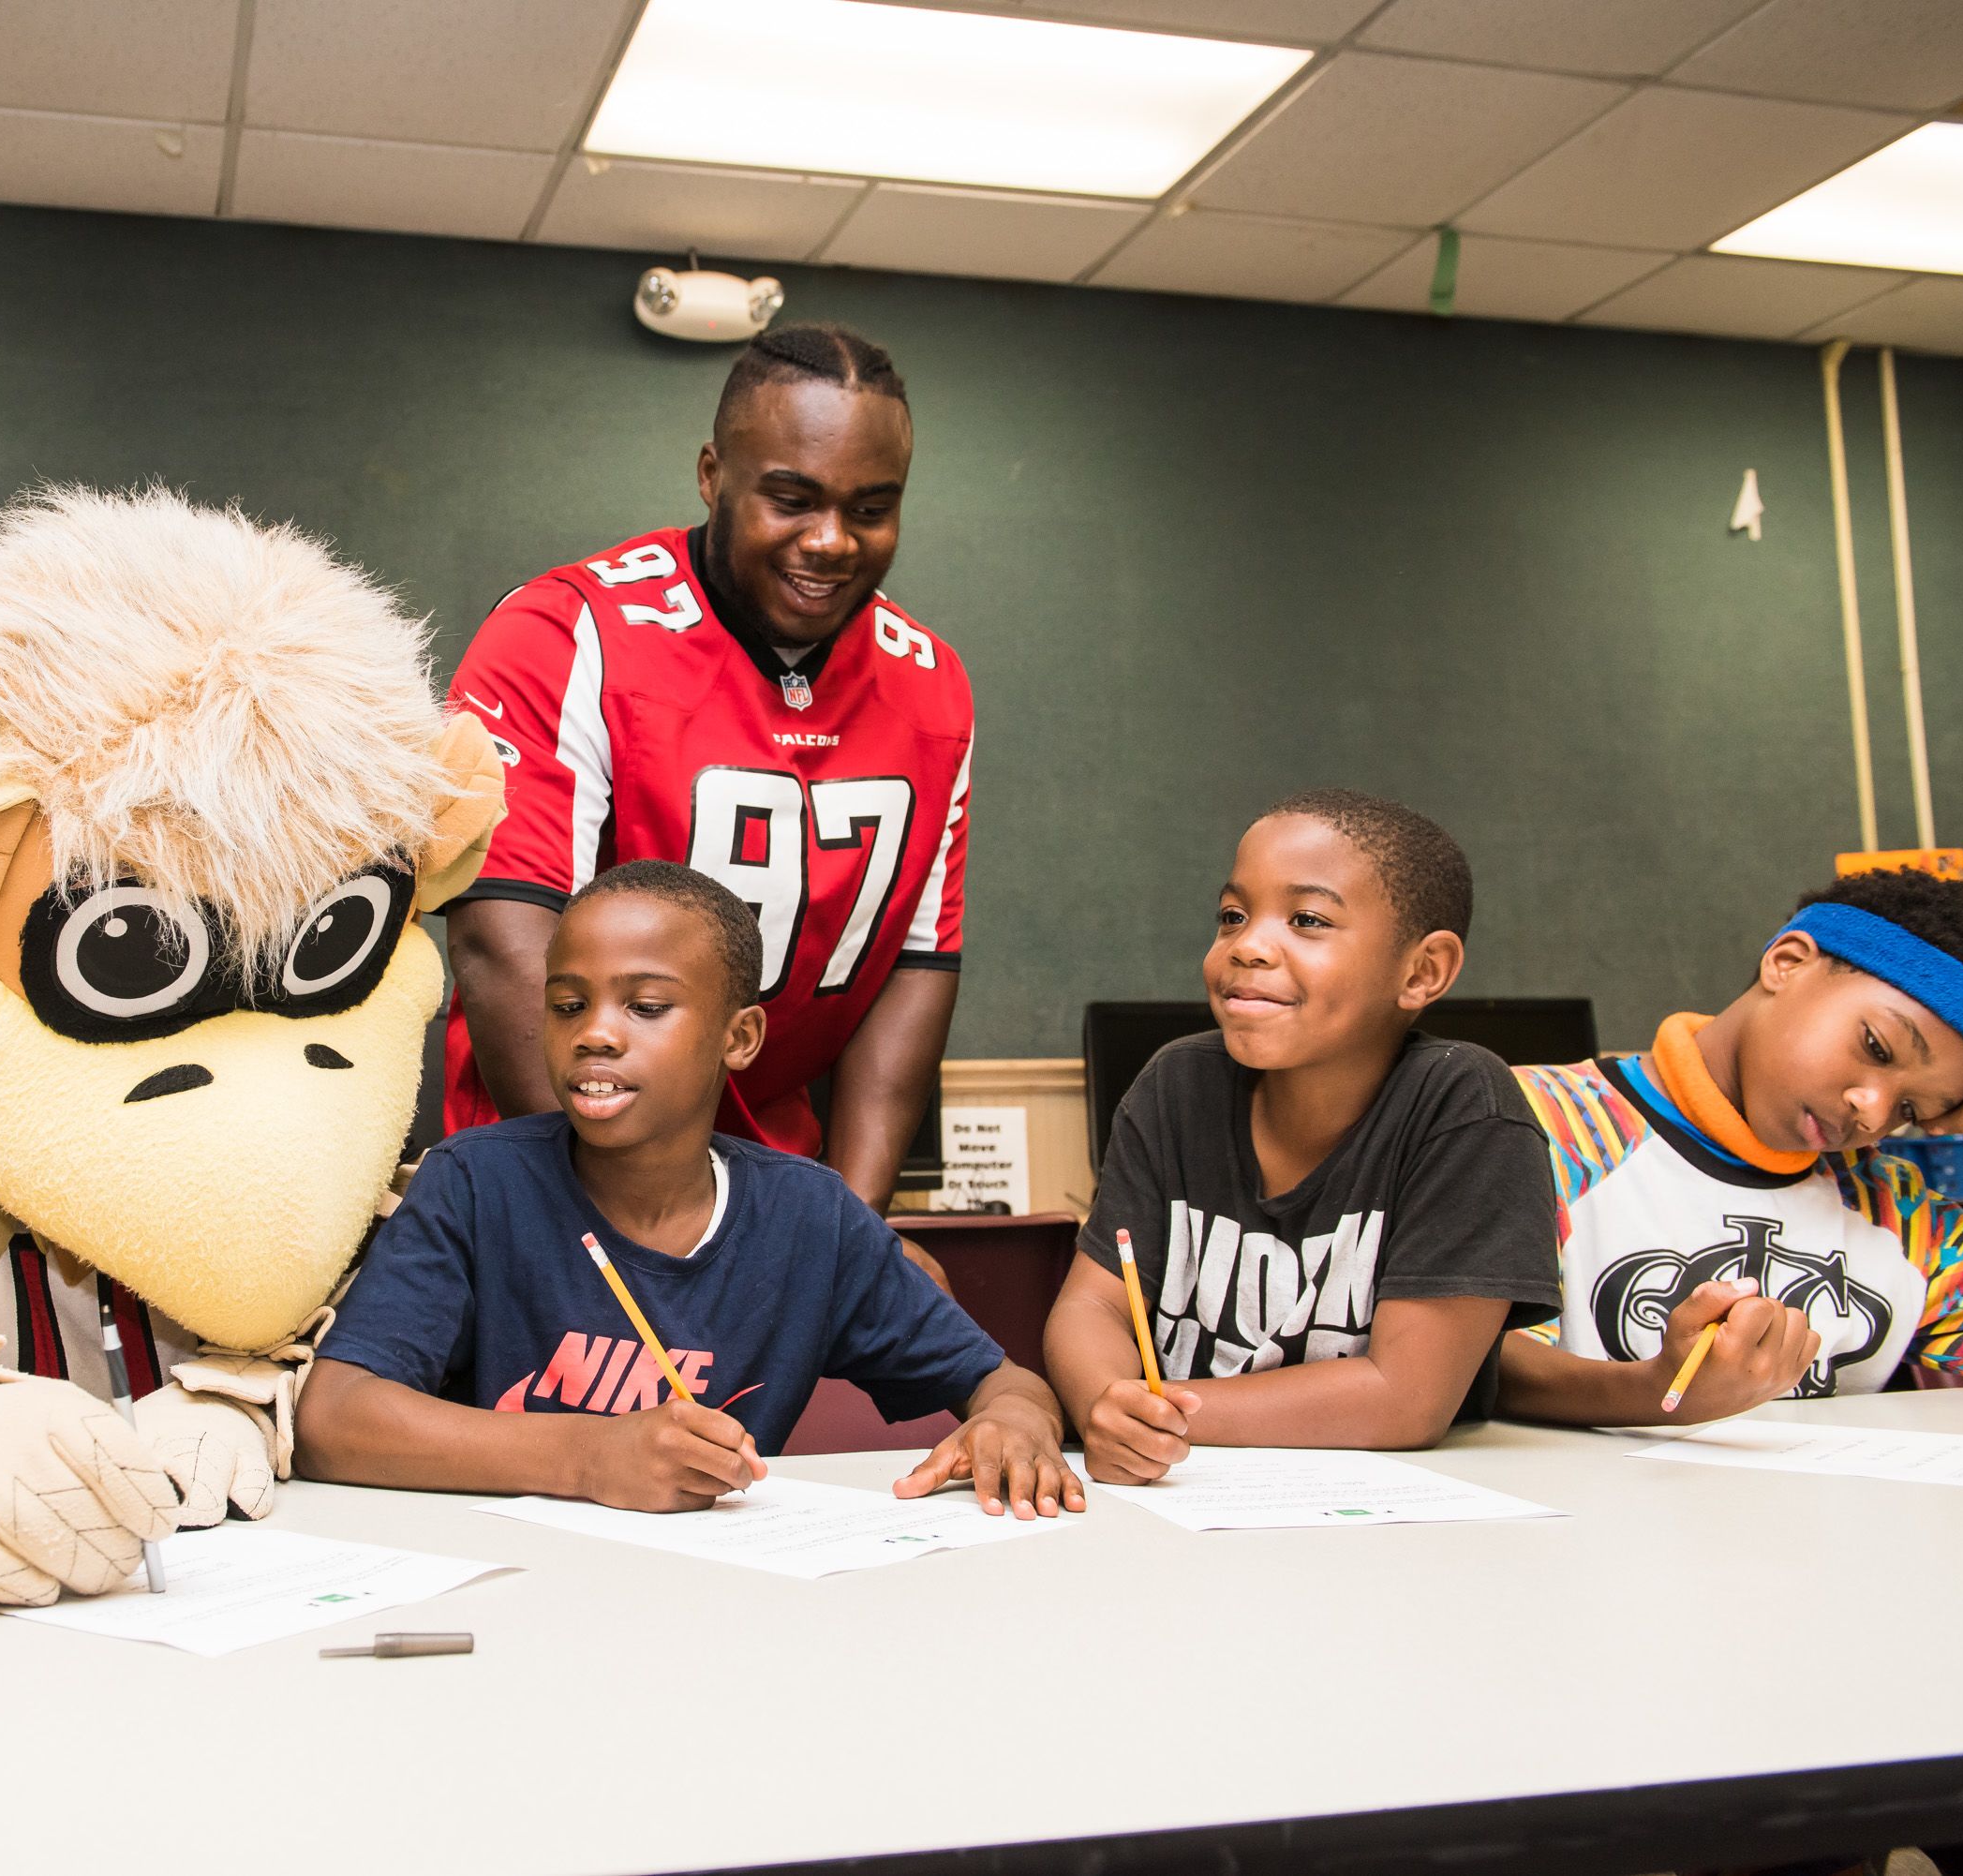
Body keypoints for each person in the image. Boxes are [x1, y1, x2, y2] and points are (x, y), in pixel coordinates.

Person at [298, 861, 1077, 1517]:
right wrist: (591, 1457)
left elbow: (1004, 1382)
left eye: (646, 1006)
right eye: (568, 1005)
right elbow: (334, 1419)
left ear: (738, 1039)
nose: (596, 1033)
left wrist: (1012, 1422)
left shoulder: (808, 1218)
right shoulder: (476, 1182)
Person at [439, 323, 968, 1234]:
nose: (832, 541)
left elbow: (916, 964)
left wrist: (849, 1232)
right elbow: (504, 948)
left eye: (872, 508)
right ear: (713, 474)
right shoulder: (565, 635)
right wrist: (617, 1229)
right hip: (544, 1186)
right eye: (792, 499)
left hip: (769, 1188)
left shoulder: (932, 684)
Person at [1045, 790, 1562, 1485]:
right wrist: (1104, 1399)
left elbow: (1405, 1401)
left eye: (1307, 919)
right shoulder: (1177, 1086)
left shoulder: (1463, 1106)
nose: (1248, 946)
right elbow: (1093, 1303)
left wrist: (1159, 1415)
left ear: (1423, 971)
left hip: (1390, 1523)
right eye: (1232, 916)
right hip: (1177, 1503)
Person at [1500, 867, 1963, 1427]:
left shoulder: (1907, 1220)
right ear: (1788, 963)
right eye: (1875, 1046)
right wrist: (1651, 1392)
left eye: (1911, 1111)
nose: (1873, 1110)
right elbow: (1457, 1352)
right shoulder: (1523, 1125)